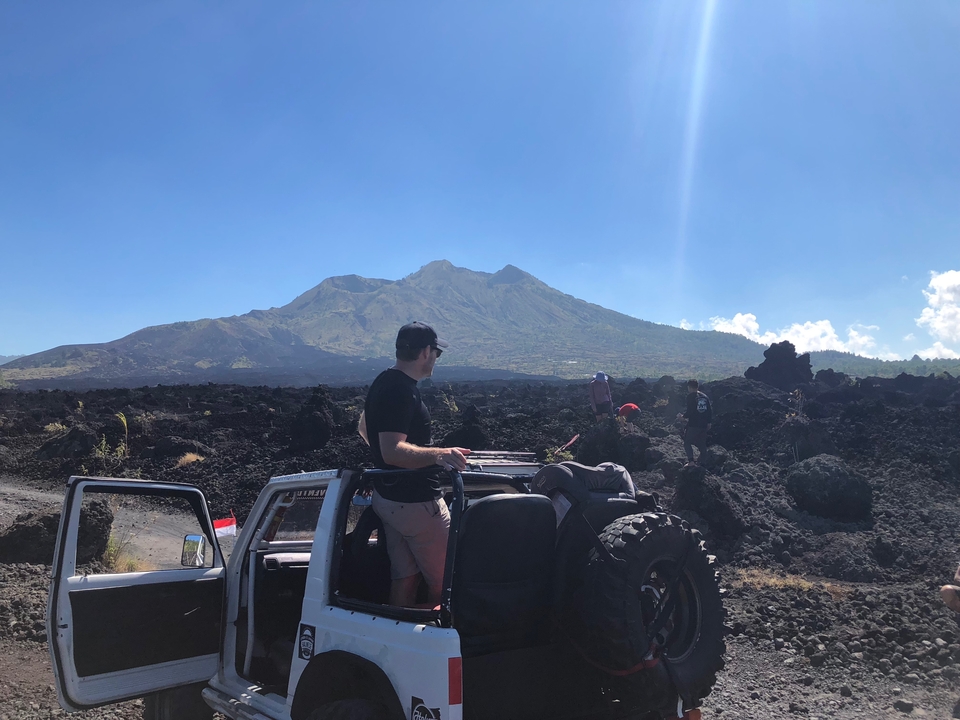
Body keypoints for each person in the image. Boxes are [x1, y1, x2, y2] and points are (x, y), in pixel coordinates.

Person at [357, 322, 471, 607]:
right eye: (436, 352)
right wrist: (438, 455)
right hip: (417, 505)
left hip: (390, 500)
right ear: (424, 353)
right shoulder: (402, 391)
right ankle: (434, 640)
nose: (436, 359)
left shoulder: (384, 381)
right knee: (446, 582)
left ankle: (398, 637)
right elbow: (393, 451)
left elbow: (363, 427)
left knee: (405, 577)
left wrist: (387, 461)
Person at [678, 379, 712, 466]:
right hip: (704, 425)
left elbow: (690, 411)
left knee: (687, 442)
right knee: (702, 444)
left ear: (689, 387)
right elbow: (709, 410)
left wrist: (682, 417)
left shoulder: (691, 396)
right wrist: (709, 422)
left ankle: (691, 462)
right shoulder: (705, 397)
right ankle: (703, 463)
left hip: (694, 424)